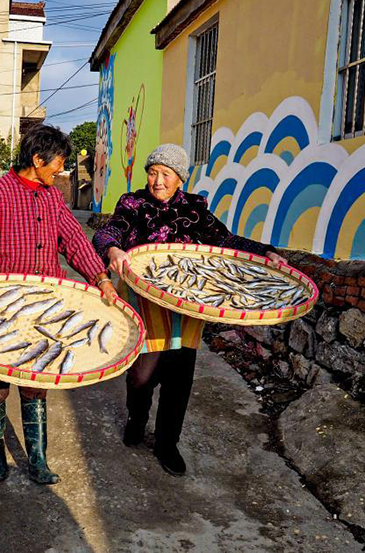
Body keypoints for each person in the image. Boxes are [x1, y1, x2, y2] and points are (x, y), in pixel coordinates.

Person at [0, 124, 118, 484]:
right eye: (58, 164)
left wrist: (101, 279)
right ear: (37, 159)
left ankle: (37, 459)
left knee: (36, 383)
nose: (60, 171)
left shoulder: (52, 198)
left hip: (42, 309)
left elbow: (76, 241)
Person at [93, 144, 286, 476]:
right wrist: (112, 248)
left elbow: (224, 242)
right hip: (145, 302)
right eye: (153, 173)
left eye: (166, 175)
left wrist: (265, 252)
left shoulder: (194, 211)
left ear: (179, 179)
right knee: (142, 375)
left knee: (179, 376)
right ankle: (137, 417)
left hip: (186, 306)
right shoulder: (133, 204)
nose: (157, 181)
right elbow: (110, 232)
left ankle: (168, 443)